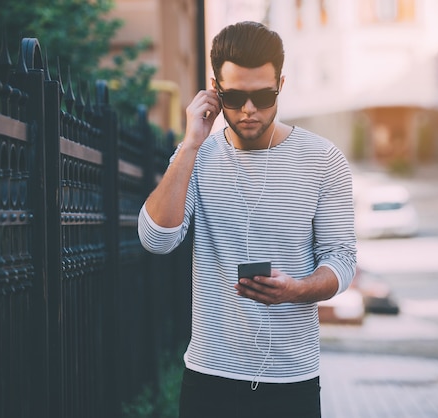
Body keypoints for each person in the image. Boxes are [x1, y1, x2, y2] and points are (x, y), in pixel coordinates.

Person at [138, 21, 356, 418]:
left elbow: (341, 258)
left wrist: (297, 288)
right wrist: (189, 144)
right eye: (235, 96)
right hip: (209, 376)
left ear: (281, 85)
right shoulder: (197, 156)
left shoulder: (323, 161)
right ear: (214, 90)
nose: (250, 110)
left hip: (292, 379)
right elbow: (157, 239)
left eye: (263, 95)